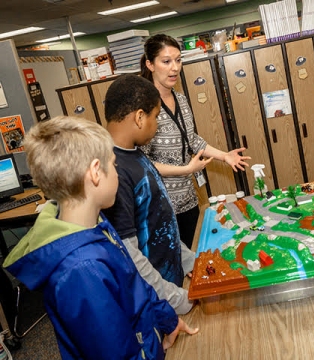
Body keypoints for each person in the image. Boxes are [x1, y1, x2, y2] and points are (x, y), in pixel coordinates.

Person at [3, 117, 198, 359]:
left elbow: (133, 282)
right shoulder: (81, 270)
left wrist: (167, 319)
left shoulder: (97, 223)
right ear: (96, 172)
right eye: (114, 165)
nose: (117, 172)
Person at [140, 33, 251, 250]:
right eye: (166, 61)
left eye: (178, 60)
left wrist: (224, 156)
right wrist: (185, 169)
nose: (175, 68)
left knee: (198, 256)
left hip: (188, 200)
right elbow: (141, 163)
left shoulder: (180, 99)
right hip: (162, 206)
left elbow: (192, 139)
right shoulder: (144, 106)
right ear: (150, 64)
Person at [102, 74, 194, 315]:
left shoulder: (135, 153)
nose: (158, 125)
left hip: (173, 284)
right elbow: (131, 256)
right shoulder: (114, 171)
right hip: (159, 301)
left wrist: (189, 261)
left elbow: (160, 222)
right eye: (156, 117)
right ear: (140, 118)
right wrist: (177, 299)